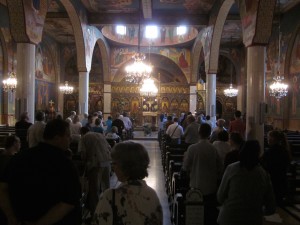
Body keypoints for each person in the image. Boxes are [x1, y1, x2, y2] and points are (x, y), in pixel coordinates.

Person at [0, 119, 82, 225]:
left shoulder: (20, 157)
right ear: (57, 138)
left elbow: (2, 188)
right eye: (67, 135)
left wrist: (10, 217)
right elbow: (69, 202)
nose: (70, 138)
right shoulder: (65, 164)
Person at [91, 141, 163, 225]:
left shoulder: (110, 196)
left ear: (124, 166)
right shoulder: (152, 194)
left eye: (114, 163)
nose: (113, 167)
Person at [217, 140, 276, 225]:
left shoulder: (232, 169)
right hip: (252, 219)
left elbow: (220, 197)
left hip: (229, 218)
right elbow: (271, 207)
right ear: (258, 154)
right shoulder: (263, 174)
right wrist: (258, 211)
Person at [182, 123, 222, 225]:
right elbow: (220, 167)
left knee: (196, 216)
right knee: (209, 215)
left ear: (199, 133)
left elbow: (185, 167)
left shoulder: (192, 148)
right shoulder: (213, 148)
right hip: (211, 187)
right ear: (209, 133)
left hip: (196, 186)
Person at [81, 132, 111, 216]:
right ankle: (108, 209)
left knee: (94, 190)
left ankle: (96, 213)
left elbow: (82, 154)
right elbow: (109, 147)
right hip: (106, 161)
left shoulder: (83, 137)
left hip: (96, 163)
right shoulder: (100, 135)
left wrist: (85, 163)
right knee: (107, 187)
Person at [262, 130, 291, 206]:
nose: (267, 139)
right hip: (282, 180)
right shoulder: (284, 150)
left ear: (272, 139)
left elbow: (262, 163)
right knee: (279, 202)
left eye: (268, 137)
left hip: (272, 181)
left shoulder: (270, 152)